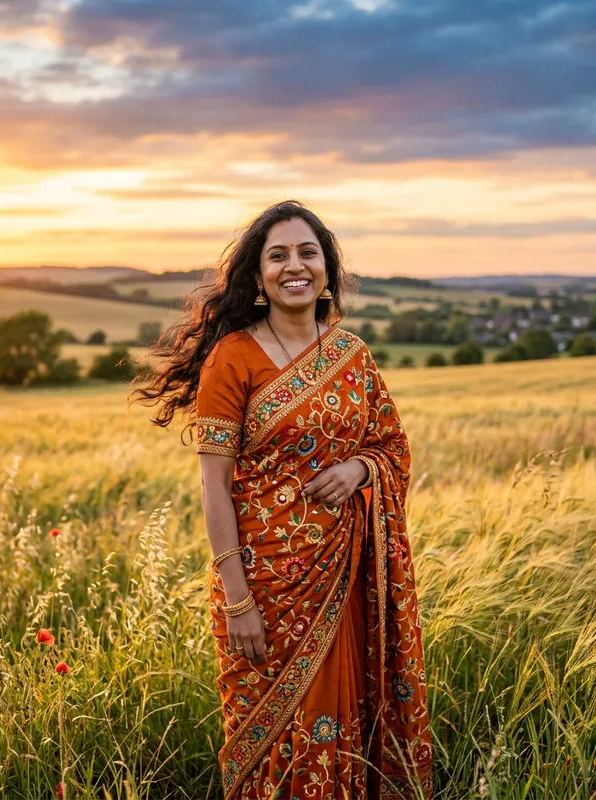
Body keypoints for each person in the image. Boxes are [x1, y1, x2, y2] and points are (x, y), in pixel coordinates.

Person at [129, 200, 432, 799]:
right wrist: (237, 601)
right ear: (259, 275)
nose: (295, 266)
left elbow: (392, 447)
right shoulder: (233, 358)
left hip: (348, 577)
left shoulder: (353, 357)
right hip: (263, 587)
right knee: (271, 735)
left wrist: (358, 468)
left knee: (348, 718)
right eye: (278, 255)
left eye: (308, 252)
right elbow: (214, 485)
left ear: (327, 269)